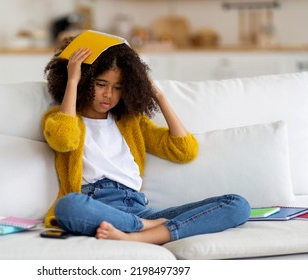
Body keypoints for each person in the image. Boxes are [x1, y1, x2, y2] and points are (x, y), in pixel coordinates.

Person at [41, 32, 250, 245]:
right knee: (68, 206)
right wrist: (73, 81)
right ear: (86, 81)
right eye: (101, 84)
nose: (109, 95)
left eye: (118, 87)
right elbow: (64, 139)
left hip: (140, 209)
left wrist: (159, 96)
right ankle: (146, 229)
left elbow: (184, 151)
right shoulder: (60, 118)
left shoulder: (131, 122)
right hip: (96, 207)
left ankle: (142, 234)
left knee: (237, 204)